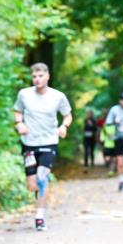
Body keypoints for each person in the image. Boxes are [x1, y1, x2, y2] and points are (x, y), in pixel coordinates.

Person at [13, 63, 73, 231]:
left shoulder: (58, 96)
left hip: (49, 141)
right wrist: (19, 123)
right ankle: (40, 192)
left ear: (47, 77)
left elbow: (67, 115)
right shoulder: (24, 94)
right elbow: (17, 111)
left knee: (42, 176)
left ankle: (40, 216)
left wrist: (64, 127)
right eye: (34, 77)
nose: (37, 79)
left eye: (40, 76)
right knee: (32, 184)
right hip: (29, 143)